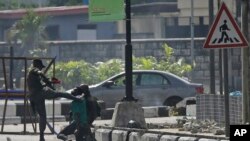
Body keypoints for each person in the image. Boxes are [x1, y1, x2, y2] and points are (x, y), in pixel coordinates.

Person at [27, 59, 81, 141]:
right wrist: (47, 80)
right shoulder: (34, 70)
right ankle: (76, 98)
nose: (41, 69)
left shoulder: (31, 75)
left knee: (42, 116)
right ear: (37, 65)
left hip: (34, 97)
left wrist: (49, 83)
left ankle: (41, 137)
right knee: (60, 94)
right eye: (41, 67)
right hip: (41, 93)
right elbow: (39, 73)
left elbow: (40, 83)